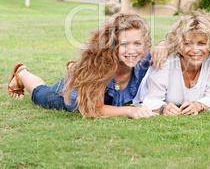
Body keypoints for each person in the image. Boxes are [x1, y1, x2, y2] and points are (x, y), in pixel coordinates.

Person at [7, 11, 160, 119]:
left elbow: (176, 51)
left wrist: (163, 46)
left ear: (145, 43)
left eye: (137, 43)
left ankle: (76, 69)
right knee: (41, 94)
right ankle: (22, 74)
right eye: (124, 44)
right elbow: (96, 108)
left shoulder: (145, 57)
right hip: (74, 98)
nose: (132, 50)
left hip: (95, 83)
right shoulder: (101, 64)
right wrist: (130, 111)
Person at [139, 10, 210, 116]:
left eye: (201, 43)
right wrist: (163, 108)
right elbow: (151, 100)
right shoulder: (165, 61)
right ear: (180, 44)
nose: (195, 50)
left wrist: (198, 106)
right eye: (188, 43)